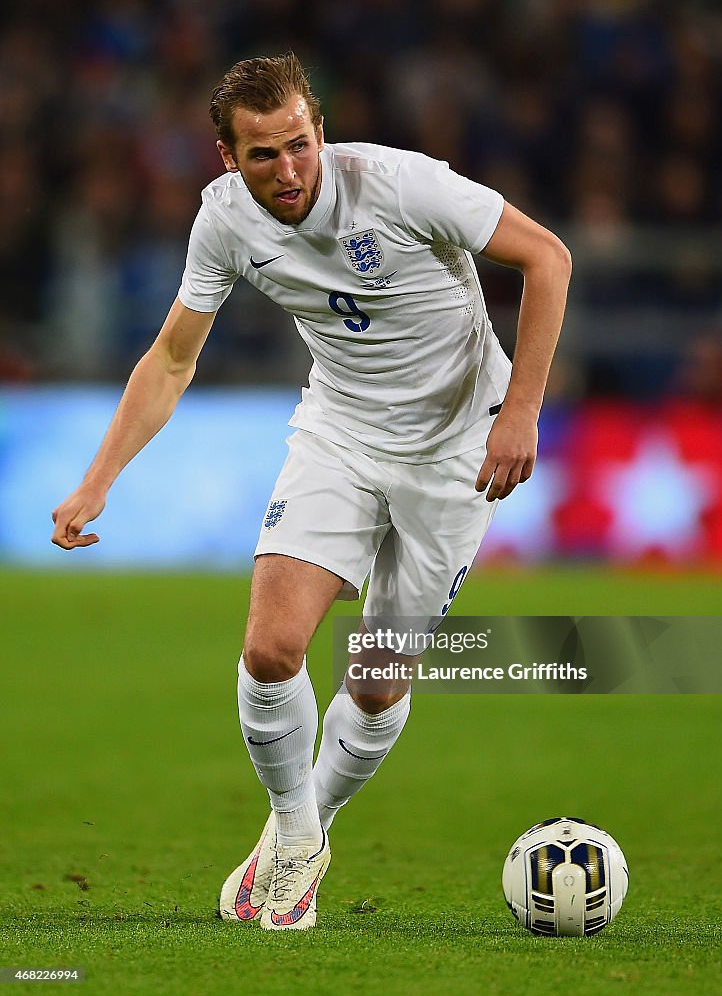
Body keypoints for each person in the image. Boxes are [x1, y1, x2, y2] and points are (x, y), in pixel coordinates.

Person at [51, 53, 571, 930]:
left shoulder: (401, 186)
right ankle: (296, 838)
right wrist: (97, 480)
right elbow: (174, 357)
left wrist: (520, 410)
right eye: (263, 155)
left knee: (372, 685)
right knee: (271, 649)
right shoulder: (221, 224)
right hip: (339, 433)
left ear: (319, 132)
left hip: (456, 451)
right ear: (227, 158)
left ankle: (303, 828)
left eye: (300, 145)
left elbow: (547, 258)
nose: (288, 171)